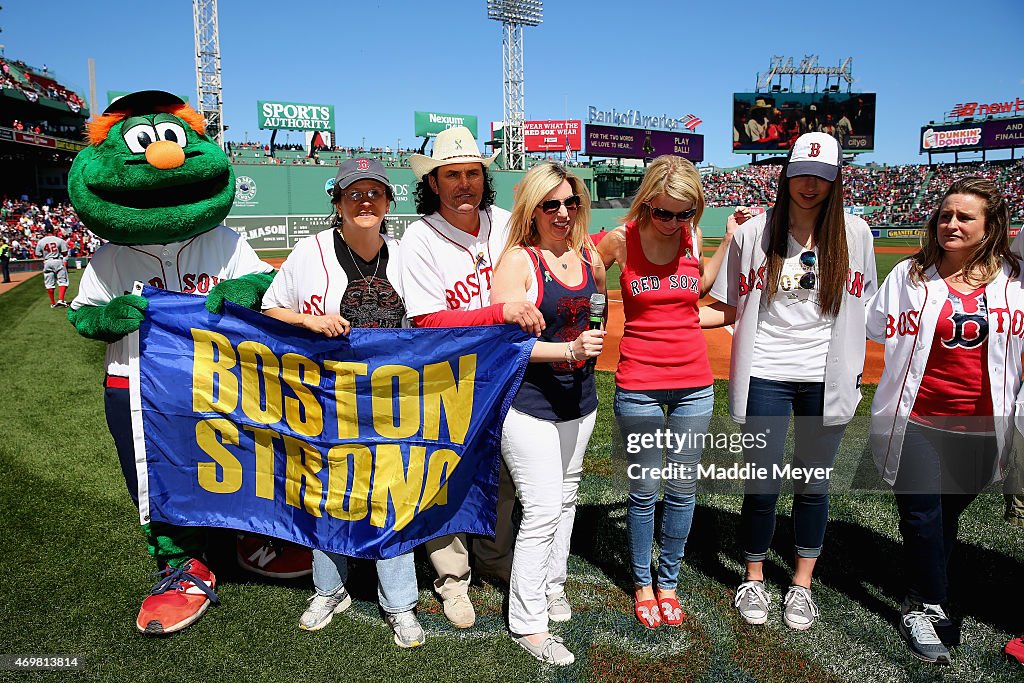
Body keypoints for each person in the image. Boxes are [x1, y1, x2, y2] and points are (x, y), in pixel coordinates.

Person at [708, 132, 877, 630]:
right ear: (786, 173)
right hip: (765, 370)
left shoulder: (857, 232)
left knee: (812, 484)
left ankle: (801, 585)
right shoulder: (752, 233)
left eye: (822, 177)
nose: (810, 185)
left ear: (835, 180)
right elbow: (726, 304)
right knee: (761, 483)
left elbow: (860, 302)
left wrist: (856, 370)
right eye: (802, 173)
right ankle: (754, 575)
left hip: (825, 373)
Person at [261, 158, 424, 649]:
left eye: (376, 193)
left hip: (393, 399)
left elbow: (430, 323)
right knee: (329, 493)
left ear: (389, 203)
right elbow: (270, 307)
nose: (366, 201)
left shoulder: (405, 254)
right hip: (326, 398)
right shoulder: (309, 252)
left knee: (391, 496)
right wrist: (309, 323)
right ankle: (330, 590)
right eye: (356, 194)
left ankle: (399, 603)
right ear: (337, 203)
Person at [867, 177, 1024, 665]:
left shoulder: (1016, 280)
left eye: (965, 217)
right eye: (945, 215)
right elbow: (875, 326)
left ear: (991, 226)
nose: (951, 224)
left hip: (983, 426)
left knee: (946, 516)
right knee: (920, 513)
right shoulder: (910, 275)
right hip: (915, 417)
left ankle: (920, 591)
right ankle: (928, 605)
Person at [400, 126, 544, 629]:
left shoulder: (508, 224)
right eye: (452, 175)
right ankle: (452, 578)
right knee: (448, 474)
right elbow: (426, 320)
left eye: (472, 173)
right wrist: (501, 311)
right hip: (450, 375)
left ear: (485, 177)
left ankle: (494, 558)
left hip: (508, 372)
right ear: (434, 183)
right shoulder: (419, 237)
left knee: (505, 473)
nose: (464, 183)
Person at [596, 155, 734, 629]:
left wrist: (727, 242)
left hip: (695, 384)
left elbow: (698, 287)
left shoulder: (692, 236)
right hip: (639, 384)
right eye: (664, 212)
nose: (674, 222)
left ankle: (668, 582)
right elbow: (575, 269)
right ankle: (641, 583)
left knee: (681, 490)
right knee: (643, 491)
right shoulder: (621, 239)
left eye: (684, 213)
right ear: (646, 203)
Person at [490, 162, 605, 665]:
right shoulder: (519, 260)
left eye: (571, 203)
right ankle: (528, 622)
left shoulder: (583, 257)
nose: (562, 213)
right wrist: (569, 351)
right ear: (532, 209)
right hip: (529, 405)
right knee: (539, 509)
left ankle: (553, 586)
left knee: (566, 499)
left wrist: (587, 343)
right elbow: (506, 342)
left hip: (580, 402)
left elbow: (596, 307)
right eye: (550, 204)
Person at [35, 225, 69, 307]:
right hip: (57, 260)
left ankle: (53, 303)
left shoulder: (41, 241)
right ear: (54, 230)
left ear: (45, 231)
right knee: (63, 281)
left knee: (49, 283)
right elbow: (65, 253)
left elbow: (37, 254)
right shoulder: (59, 240)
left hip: (47, 261)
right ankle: (61, 299)